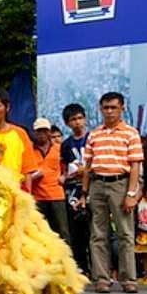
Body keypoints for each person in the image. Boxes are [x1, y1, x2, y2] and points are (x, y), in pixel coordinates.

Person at [77, 92, 144, 293]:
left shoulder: (130, 133)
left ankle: (128, 279)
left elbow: (135, 166)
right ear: (100, 109)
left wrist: (132, 194)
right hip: (97, 184)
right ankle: (102, 278)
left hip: (120, 184)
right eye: (106, 108)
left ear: (122, 108)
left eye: (113, 107)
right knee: (98, 234)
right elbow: (87, 166)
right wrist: (84, 192)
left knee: (124, 233)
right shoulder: (94, 134)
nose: (109, 111)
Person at [0, 87, 37, 191]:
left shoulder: (20, 134)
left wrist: (27, 198)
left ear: (7, 107)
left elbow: (27, 170)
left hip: (13, 192)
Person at [61, 103, 91, 275]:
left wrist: (85, 170)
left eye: (80, 118)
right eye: (73, 119)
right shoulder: (66, 145)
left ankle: (102, 268)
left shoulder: (93, 139)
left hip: (93, 187)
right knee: (76, 229)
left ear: (85, 119)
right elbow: (65, 169)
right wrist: (69, 175)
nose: (77, 122)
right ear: (67, 123)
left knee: (95, 230)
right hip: (73, 190)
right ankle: (82, 267)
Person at [31, 118, 70, 244]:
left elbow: (71, 165)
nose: (41, 134)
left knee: (62, 231)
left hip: (56, 195)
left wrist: (64, 176)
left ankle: (67, 261)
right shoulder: (29, 150)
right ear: (34, 133)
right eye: (38, 131)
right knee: (39, 233)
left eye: (44, 130)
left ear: (49, 132)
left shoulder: (60, 148)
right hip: (37, 197)